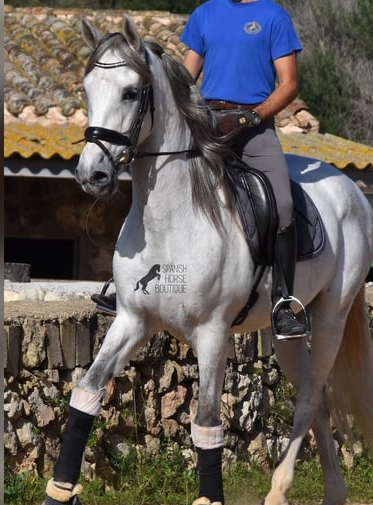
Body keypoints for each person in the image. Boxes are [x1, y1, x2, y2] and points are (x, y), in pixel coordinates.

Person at [93, 0, 307, 340]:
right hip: (207, 123)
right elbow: (185, 79)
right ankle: (124, 283)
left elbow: (289, 84)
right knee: (157, 186)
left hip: (254, 127)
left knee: (281, 204)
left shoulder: (273, 16)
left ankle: (283, 301)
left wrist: (254, 115)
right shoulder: (205, 14)